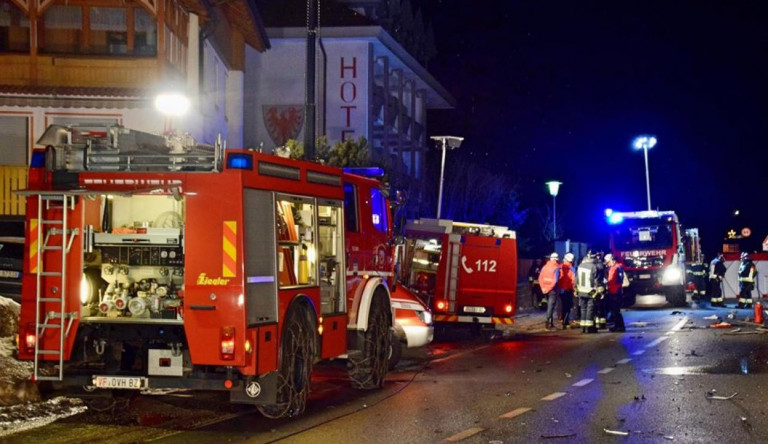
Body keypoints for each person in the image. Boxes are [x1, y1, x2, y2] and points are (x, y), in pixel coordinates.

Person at [577, 252, 605, 333]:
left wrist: (576, 289)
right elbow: (596, 281)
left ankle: (583, 327)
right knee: (590, 308)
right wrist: (600, 292)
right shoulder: (593, 267)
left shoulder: (580, 266)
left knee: (583, 308)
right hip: (590, 291)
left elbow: (576, 279)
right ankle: (589, 328)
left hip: (581, 290)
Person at [538, 252, 561, 330]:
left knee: (549, 306)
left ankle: (549, 323)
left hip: (545, 290)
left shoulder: (544, 267)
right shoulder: (556, 268)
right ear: (556, 259)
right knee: (551, 307)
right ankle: (548, 324)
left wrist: (543, 288)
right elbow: (556, 280)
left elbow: (540, 278)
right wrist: (548, 288)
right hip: (552, 290)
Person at [604, 253, 626, 332]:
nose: (608, 264)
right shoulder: (616, 267)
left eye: (608, 262)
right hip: (615, 290)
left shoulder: (616, 268)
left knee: (616, 310)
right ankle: (618, 326)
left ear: (612, 260)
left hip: (615, 291)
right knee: (615, 310)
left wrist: (607, 283)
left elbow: (614, 280)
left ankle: (620, 327)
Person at [558, 253, 576, 329]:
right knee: (567, 306)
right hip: (568, 289)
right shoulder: (572, 268)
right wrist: (575, 290)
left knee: (561, 305)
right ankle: (566, 322)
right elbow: (573, 281)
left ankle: (561, 319)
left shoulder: (560, 267)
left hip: (560, 289)